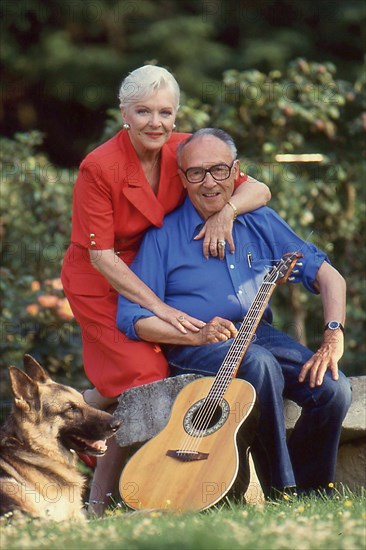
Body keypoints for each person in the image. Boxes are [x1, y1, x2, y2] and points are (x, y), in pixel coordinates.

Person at [61, 66, 270, 513]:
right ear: (124, 114)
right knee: (146, 376)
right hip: (101, 279)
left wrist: (225, 212)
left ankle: (67, 412)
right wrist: (158, 305)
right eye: (143, 111)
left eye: (165, 112)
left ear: (176, 116)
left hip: (155, 269)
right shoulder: (98, 167)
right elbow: (101, 256)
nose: (155, 122)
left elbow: (261, 189)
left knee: (147, 371)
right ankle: (98, 498)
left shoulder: (189, 150)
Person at [117, 128, 352, 498]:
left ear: (236, 170)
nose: (208, 182)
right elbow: (132, 318)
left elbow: (329, 277)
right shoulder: (162, 237)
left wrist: (333, 335)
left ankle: (311, 492)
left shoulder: (259, 220)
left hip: (260, 332)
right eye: (196, 173)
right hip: (197, 343)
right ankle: (281, 488)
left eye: (219, 170)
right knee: (258, 364)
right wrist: (193, 334)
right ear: (182, 178)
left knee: (335, 388)